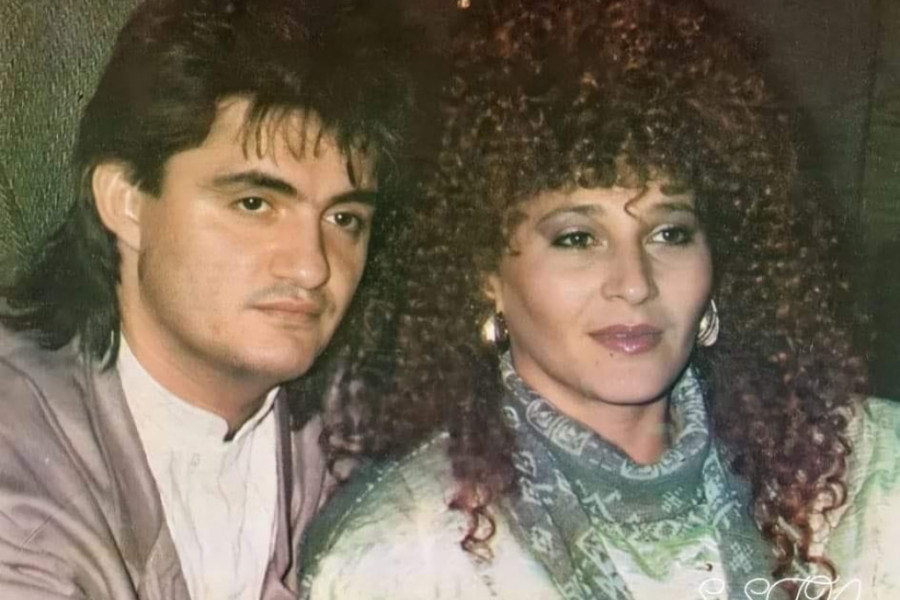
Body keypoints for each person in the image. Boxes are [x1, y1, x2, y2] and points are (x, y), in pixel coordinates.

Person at [298, 0, 900, 598]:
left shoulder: (872, 478)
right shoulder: (405, 556)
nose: (634, 283)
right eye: (577, 238)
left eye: (670, 233)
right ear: (487, 274)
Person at [0, 0, 424, 597]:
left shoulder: (366, 429)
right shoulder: (20, 445)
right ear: (125, 202)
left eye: (344, 218)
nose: (311, 266)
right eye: (254, 204)